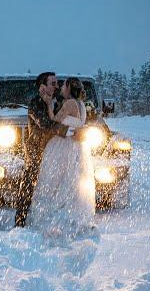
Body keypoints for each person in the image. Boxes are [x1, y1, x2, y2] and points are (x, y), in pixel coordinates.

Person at [25, 77, 97, 240]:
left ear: (69, 87)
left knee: (55, 181)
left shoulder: (70, 103)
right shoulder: (80, 104)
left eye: (63, 85)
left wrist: (49, 104)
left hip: (64, 145)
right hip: (75, 146)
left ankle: (54, 218)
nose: (60, 88)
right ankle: (73, 217)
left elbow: (53, 120)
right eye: (56, 84)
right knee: (71, 181)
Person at [15, 72, 68, 227]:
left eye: (57, 83)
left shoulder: (58, 101)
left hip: (55, 150)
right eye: (53, 83)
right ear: (42, 86)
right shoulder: (35, 103)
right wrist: (65, 130)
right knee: (29, 183)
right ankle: (20, 221)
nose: (57, 86)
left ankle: (51, 221)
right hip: (36, 150)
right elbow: (44, 123)